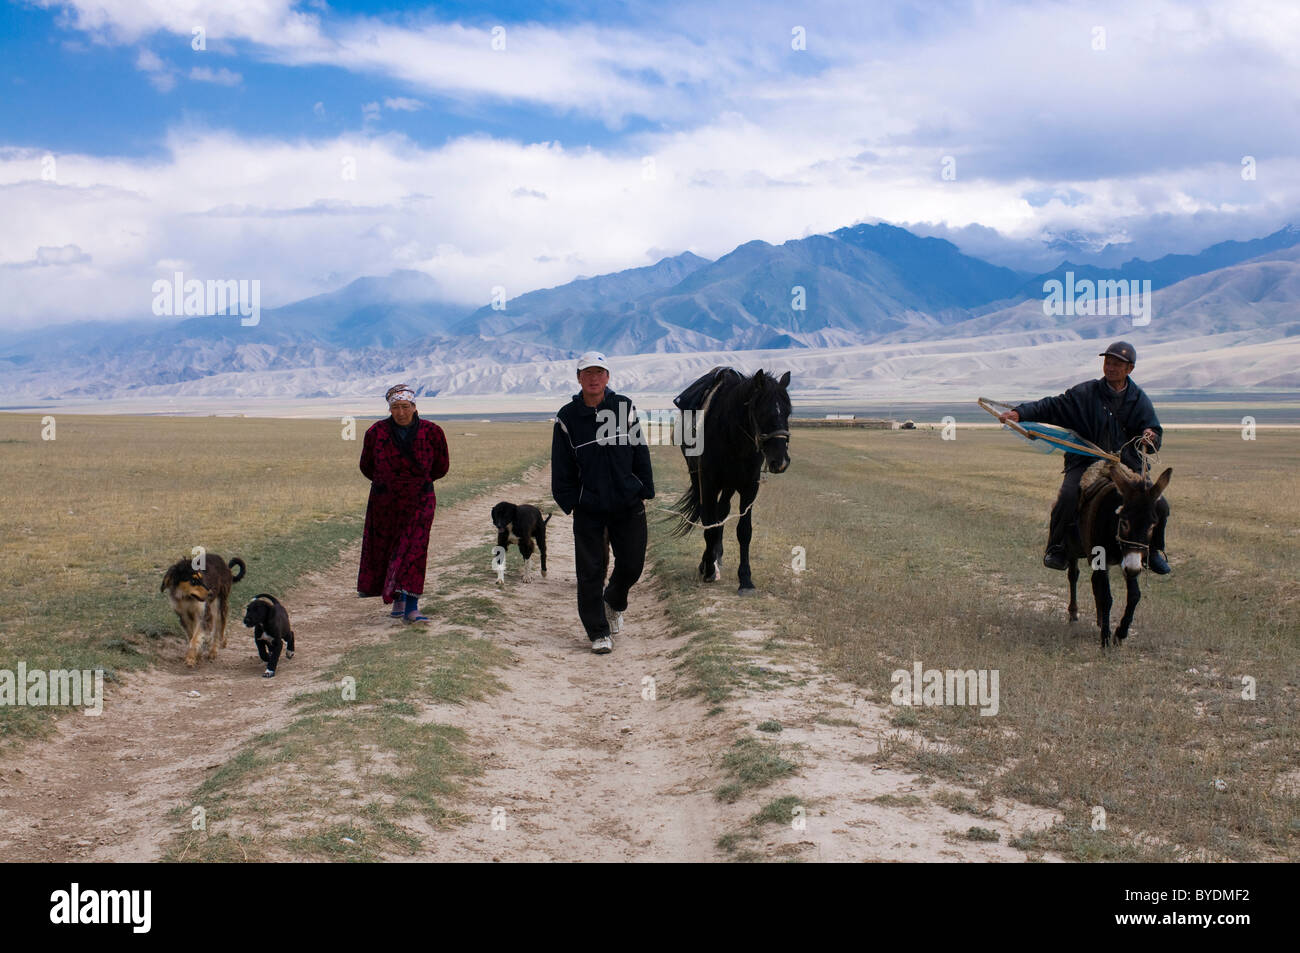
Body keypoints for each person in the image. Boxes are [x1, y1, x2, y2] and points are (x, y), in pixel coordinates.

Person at [999, 341, 1171, 574]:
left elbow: (1153, 431)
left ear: (1130, 369)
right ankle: (1057, 546)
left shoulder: (1139, 399)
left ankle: (1154, 551)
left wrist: (1150, 435)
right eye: (1107, 362)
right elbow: (1052, 406)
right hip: (1085, 459)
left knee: (1159, 504)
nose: (1110, 367)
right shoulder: (1085, 393)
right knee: (1068, 496)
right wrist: (1020, 413)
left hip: (1125, 463)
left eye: (1117, 364)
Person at [551, 351, 655, 654]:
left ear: (607, 377)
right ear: (579, 378)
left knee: (633, 563)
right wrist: (573, 500)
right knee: (590, 571)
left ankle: (615, 599)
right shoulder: (567, 417)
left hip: (627, 502)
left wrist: (643, 487)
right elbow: (561, 465)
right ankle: (598, 632)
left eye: (599, 372)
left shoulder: (623, 407)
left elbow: (640, 450)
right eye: (587, 373)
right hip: (590, 508)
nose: (594, 378)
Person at [357, 384, 450, 622]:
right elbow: (366, 466)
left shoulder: (432, 432)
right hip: (385, 502)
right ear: (389, 408)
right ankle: (397, 599)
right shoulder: (376, 432)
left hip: (420, 499)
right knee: (390, 549)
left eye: (405, 407)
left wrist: (416, 481)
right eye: (395, 407)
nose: (400, 412)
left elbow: (441, 467)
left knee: (414, 550)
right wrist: (388, 482)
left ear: (414, 407)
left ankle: (412, 607)